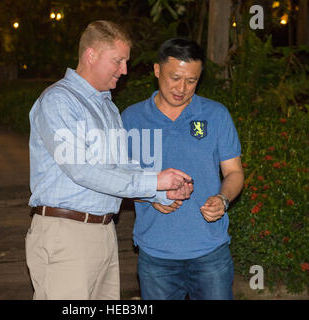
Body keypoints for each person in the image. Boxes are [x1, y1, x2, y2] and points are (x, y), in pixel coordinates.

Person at [26, 22, 193, 300]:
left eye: (126, 62)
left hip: (104, 232)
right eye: (118, 61)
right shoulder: (59, 101)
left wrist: (162, 191)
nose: (124, 70)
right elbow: (82, 171)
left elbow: (120, 168)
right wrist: (154, 181)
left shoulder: (107, 106)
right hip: (66, 235)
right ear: (91, 55)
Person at [121, 38, 244, 300]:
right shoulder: (131, 118)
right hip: (156, 255)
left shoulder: (216, 114)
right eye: (174, 78)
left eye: (191, 81)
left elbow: (234, 173)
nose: (181, 88)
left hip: (210, 251)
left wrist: (223, 199)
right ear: (157, 70)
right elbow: (118, 179)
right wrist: (149, 195)